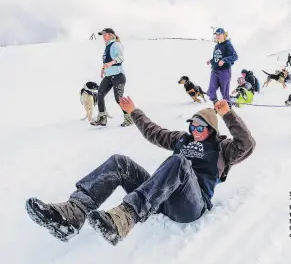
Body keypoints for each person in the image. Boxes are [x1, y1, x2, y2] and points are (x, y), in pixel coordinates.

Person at [25, 98, 255, 246]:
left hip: (191, 206)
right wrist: (133, 111)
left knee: (179, 162)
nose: (194, 130)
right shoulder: (181, 139)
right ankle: (73, 213)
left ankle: (125, 218)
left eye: (200, 127)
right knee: (119, 162)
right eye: (192, 126)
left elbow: (247, 144)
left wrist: (228, 115)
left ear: (211, 129)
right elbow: (154, 131)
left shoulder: (223, 149)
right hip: (161, 197)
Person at [91, 28, 133, 127]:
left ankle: (129, 118)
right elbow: (106, 61)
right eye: (102, 35)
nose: (103, 37)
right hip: (108, 76)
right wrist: (103, 69)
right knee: (99, 95)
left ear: (111, 35)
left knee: (118, 98)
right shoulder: (107, 47)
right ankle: (102, 118)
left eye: (105, 35)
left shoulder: (115, 45)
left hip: (118, 76)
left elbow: (121, 57)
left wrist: (110, 63)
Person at [206, 28, 238, 106]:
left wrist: (224, 60)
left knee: (225, 95)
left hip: (225, 71)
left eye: (219, 34)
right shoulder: (216, 46)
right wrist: (211, 61)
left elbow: (235, 56)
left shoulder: (228, 44)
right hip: (215, 70)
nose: (217, 36)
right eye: (216, 35)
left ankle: (228, 109)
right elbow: (217, 59)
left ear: (224, 35)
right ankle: (217, 105)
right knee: (211, 91)